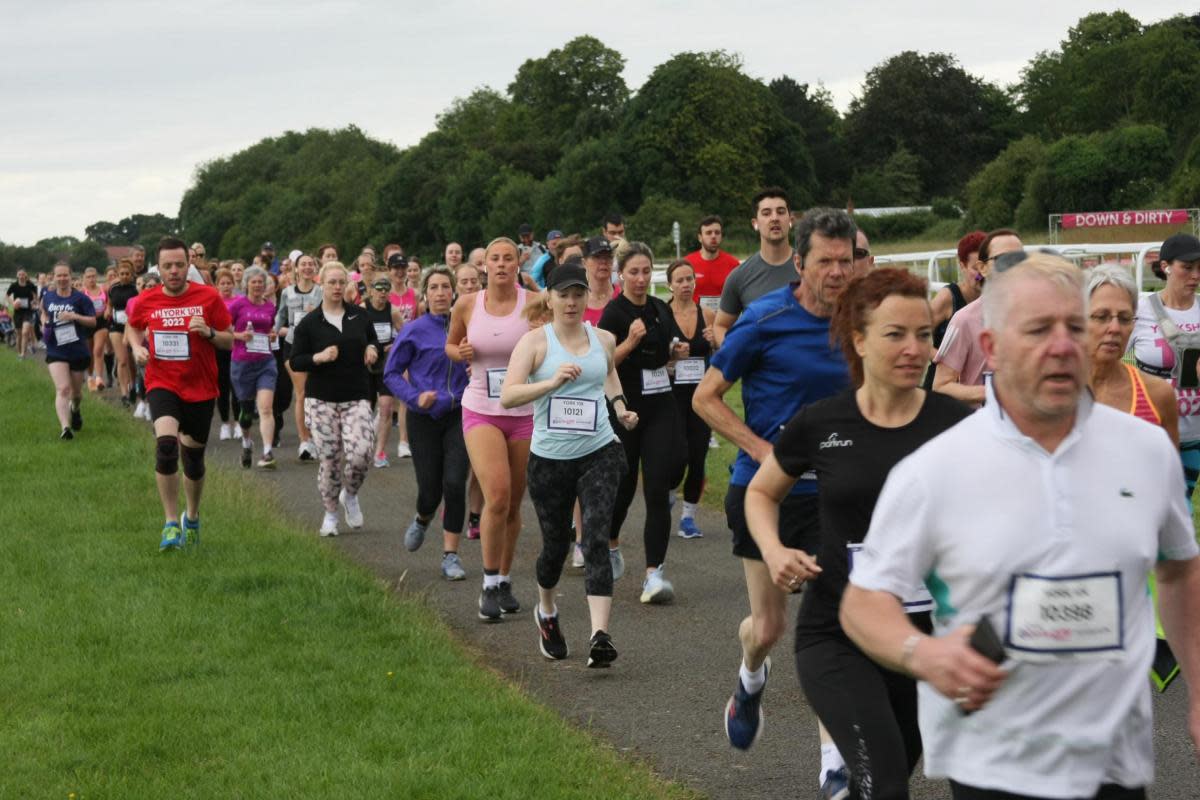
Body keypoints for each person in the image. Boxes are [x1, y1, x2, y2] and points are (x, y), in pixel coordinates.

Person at [841, 253, 1200, 800]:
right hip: (993, 764)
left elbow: (1178, 570)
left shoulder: (1145, 451)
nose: (1063, 346)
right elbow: (863, 603)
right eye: (1038, 330)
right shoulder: (936, 469)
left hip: (1114, 764)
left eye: (1074, 327)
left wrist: (1199, 688)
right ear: (991, 349)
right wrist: (926, 654)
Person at [745, 268, 972, 800]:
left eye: (924, 334)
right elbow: (760, 494)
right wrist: (775, 549)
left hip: (926, 638)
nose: (915, 348)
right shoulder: (823, 423)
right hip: (838, 634)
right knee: (883, 783)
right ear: (859, 339)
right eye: (896, 334)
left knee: (893, 774)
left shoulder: (957, 425)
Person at [692, 208, 855, 789]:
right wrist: (764, 450)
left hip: (838, 496)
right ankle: (749, 682)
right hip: (766, 494)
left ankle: (833, 764)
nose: (837, 272)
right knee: (768, 627)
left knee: (832, 628)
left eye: (846, 261)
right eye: (826, 262)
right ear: (802, 262)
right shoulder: (764, 319)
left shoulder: (864, 322)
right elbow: (707, 398)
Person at [501, 261, 638, 666]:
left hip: (599, 451)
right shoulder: (534, 344)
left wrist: (620, 407)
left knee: (595, 538)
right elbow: (509, 396)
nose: (572, 302)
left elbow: (607, 374)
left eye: (579, 294)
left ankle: (600, 635)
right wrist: (550, 382)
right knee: (555, 547)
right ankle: (546, 611)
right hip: (550, 460)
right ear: (550, 297)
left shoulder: (604, 339)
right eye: (564, 294)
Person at [125, 236, 234, 551]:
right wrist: (136, 347)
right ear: (158, 268)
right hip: (162, 383)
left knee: (194, 460)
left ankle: (193, 516)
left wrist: (210, 333)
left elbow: (229, 340)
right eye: (167, 266)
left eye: (179, 265)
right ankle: (171, 523)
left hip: (200, 387)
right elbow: (133, 326)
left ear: (189, 265)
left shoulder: (209, 297)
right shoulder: (147, 300)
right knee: (166, 447)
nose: (173, 271)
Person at [446, 237, 534, 621]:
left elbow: (552, 343)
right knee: (496, 494)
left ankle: (504, 579)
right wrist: (460, 353)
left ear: (518, 264)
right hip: (481, 407)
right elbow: (450, 345)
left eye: (507, 259)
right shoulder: (468, 304)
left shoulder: (535, 304)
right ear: (484, 266)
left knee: (513, 502)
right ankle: (487, 585)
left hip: (525, 410)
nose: (500, 264)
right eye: (494, 258)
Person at [599, 242, 688, 603]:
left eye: (646, 271)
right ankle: (610, 542)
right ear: (621, 275)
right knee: (623, 486)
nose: (640, 278)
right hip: (624, 407)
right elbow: (603, 365)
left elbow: (665, 353)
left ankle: (654, 574)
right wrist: (630, 342)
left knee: (658, 486)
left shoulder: (659, 309)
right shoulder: (613, 314)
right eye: (633, 272)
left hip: (660, 403)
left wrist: (675, 353)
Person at [384, 266, 470, 581]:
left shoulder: (468, 327)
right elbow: (391, 373)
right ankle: (422, 517)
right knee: (431, 489)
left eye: (446, 287)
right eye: (433, 287)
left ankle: (451, 555)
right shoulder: (414, 330)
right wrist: (414, 397)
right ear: (425, 294)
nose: (440, 293)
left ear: (454, 292)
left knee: (455, 482)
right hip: (424, 418)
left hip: (460, 413)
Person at [289, 261, 381, 536]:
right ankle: (330, 514)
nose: (338, 287)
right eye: (332, 282)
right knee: (330, 459)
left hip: (356, 396)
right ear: (322, 284)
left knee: (363, 452)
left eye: (342, 282)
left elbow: (374, 341)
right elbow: (296, 361)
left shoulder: (360, 317)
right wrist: (318, 357)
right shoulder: (309, 323)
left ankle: (350, 495)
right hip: (322, 400)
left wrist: (373, 351)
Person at [1130, 232, 1200, 499]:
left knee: (1181, 507)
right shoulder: (1141, 309)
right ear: (1165, 267)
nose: (1195, 275)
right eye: (1187, 267)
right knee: (1147, 507)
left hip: (1194, 434)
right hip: (1150, 430)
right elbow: (1108, 363)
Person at [932, 229, 1024, 406]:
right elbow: (941, 385)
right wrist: (992, 392)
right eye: (1003, 259)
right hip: (983, 426)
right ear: (983, 268)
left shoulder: (1039, 315)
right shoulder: (964, 320)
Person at [665, 259, 716, 539]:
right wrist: (670, 354)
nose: (685, 285)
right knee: (677, 455)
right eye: (680, 280)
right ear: (670, 284)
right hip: (672, 394)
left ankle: (688, 518)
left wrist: (716, 339)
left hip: (701, 395)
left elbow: (723, 351)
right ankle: (670, 491)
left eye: (689, 279)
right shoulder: (661, 313)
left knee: (698, 457)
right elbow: (654, 354)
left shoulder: (707, 314)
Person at [228, 266, 280, 469]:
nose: (258, 285)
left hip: (265, 362)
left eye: (261, 281)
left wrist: (273, 335)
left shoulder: (269, 307)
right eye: (254, 282)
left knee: (266, 408)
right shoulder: (237, 305)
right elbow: (223, 329)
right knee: (246, 411)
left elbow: (270, 329)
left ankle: (267, 452)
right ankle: (246, 442)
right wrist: (239, 336)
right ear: (246, 284)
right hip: (242, 363)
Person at [40, 263, 97, 439]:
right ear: (54, 277)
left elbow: (93, 321)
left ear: (71, 277)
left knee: (76, 393)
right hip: (56, 348)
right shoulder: (48, 297)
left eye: (66, 275)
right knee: (63, 388)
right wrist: (44, 323)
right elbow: (43, 312)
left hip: (77, 349)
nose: (62, 279)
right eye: (59, 276)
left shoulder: (81, 299)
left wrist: (75, 316)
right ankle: (65, 428)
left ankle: (76, 409)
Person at [924, 231, 985, 389]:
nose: (981, 274)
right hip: (943, 385)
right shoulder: (947, 297)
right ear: (962, 266)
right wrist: (941, 359)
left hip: (975, 384)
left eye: (984, 266)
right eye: (975, 268)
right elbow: (917, 334)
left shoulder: (995, 299)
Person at [276, 253, 322, 461]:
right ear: (296, 269)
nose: (307, 267)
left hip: (317, 347)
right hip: (293, 347)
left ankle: (317, 438)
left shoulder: (322, 292)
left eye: (311, 264)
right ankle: (304, 441)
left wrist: (318, 314)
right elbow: (280, 317)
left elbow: (332, 315)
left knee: (317, 394)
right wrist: (274, 331)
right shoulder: (287, 292)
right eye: (303, 264)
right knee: (302, 392)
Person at [364, 276, 404, 468]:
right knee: (364, 409)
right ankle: (362, 448)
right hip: (365, 364)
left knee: (386, 407)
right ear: (371, 291)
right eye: (378, 289)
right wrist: (365, 348)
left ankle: (380, 452)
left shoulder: (393, 311)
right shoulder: (362, 310)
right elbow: (351, 334)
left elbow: (405, 336)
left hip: (385, 365)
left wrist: (394, 344)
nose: (382, 293)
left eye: (386, 290)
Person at [685, 215, 741, 313]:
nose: (713, 236)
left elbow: (740, 297)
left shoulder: (733, 264)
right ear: (700, 237)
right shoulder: (687, 263)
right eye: (708, 233)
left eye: (717, 232)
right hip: (694, 322)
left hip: (724, 323)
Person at [106, 259, 139, 411]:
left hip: (132, 327)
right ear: (118, 275)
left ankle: (133, 386)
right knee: (122, 360)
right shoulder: (113, 288)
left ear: (131, 275)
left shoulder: (135, 289)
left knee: (132, 362)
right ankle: (124, 394)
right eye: (121, 274)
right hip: (116, 327)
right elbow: (110, 303)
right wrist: (107, 310)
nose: (124, 276)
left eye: (127, 274)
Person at [214, 269, 238, 441]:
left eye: (229, 283)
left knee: (236, 387)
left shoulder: (239, 301)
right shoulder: (213, 302)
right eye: (222, 283)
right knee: (221, 388)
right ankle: (224, 423)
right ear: (217, 286)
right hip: (218, 348)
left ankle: (237, 422)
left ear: (234, 285)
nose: (226, 286)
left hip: (236, 348)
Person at [80, 267, 110, 390]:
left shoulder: (104, 289)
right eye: (88, 277)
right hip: (87, 324)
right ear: (84, 278)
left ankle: (99, 378)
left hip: (101, 322)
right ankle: (90, 377)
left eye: (93, 276)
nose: (91, 279)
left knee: (98, 350)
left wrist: (108, 308)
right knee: (89, 353)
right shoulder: (82, 292)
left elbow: (109, 302)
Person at [581, 237, 615, 325]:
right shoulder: (575, 301)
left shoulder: (623, 296)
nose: (604, 261)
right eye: (597, 256)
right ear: (584, 263)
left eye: (608, 257)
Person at [7, 268, 38, 358]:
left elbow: (36, 295)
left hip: (28, 311)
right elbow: (7, 296)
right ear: (17, 276)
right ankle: (19, 353)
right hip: (17, 312)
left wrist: (34, 302)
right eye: (19, 274)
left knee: (25, 332)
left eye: (23, 274)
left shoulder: (30, 285)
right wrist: (12, 303)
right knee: (19, 334)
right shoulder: (14, 285)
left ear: (26, 275)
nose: (21, 276)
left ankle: (23, 354)